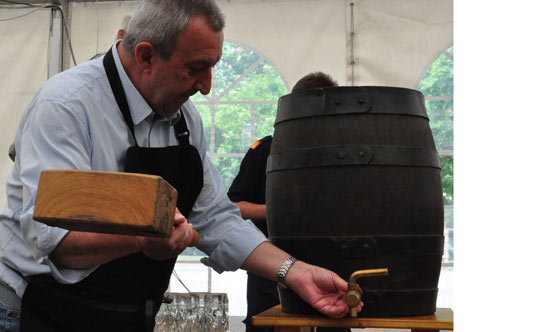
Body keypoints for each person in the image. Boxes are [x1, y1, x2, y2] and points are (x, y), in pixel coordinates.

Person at [0, 1, 360, 332]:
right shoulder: (67, 106)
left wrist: (294, 272)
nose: (206, 87)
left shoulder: (184, 120)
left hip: (120, 314)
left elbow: (217, 218)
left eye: (212, 69)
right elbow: (55, 240)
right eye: (196, 69)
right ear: (146, 56)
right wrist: (142, 239)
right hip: (33, 309)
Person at [228, 72, 351, 332]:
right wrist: (277, 213)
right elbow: (233, 209)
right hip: (272, 270)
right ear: (295, 106)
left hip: (330, 269)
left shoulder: (344, 154)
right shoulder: (265, 150)